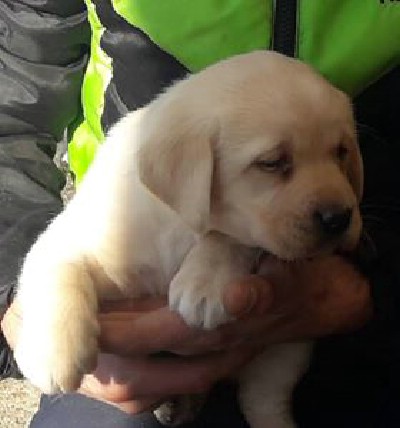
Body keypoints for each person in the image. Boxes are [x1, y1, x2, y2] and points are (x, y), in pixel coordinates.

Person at [0, 1, 399, 427]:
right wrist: (18, 303)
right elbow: (16, 104)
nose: (338, 201)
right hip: (123, 366)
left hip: (358, 328)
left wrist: (371, 286)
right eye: (273, 163)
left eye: (341, 154)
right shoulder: (128, 190)